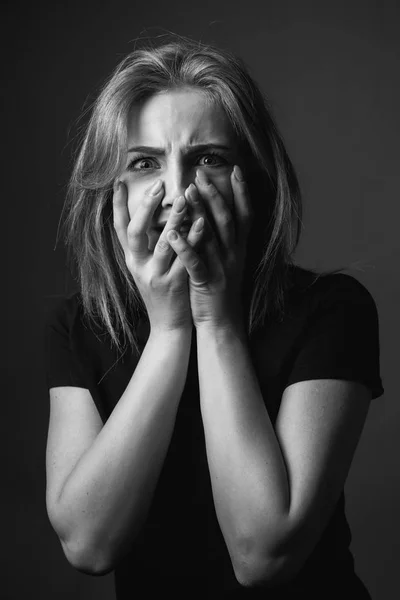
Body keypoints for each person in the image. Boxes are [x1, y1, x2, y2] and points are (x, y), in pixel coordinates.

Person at [44, 34, 384, 599]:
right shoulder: (80, 327)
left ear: (253, 177)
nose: (177, 194)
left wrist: (215, 319)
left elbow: (263, 555)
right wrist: (171, 330)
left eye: (208, 159)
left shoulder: (332, 311)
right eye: (145, 163)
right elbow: (87, 544)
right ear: (113, 190)